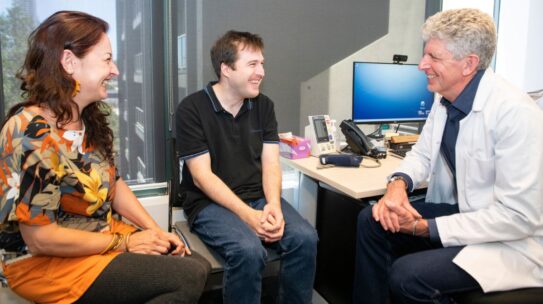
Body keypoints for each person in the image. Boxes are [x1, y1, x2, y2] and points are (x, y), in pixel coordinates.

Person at [0, 11, 210, 304]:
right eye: (107, 59)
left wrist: (154, 231)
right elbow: (40, 238)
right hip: (41, 261)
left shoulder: (86, 119)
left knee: (196, 263)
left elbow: (115, 184)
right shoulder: (31, 131)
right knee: (186, 276)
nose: (116, 71)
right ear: (69, 62)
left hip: (98, 235)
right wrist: (125, 242)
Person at [353, 8, 543, 304]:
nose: (421, 65)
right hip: (472, 215)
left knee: (407, 276)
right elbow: (422, 154)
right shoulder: (445, 99)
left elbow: (518, 218)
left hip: (512, 239)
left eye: (433, 57)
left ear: (468, 64)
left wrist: (424, 227)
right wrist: (398, 185)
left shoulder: (516, 114)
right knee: (372, 219)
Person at [176, 30, 318, 304]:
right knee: (248, 250)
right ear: (226, 69)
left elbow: (271, 164)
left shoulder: (264, 106)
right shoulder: (192, 109)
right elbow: (202, 177)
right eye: (252, 64)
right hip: (208, 203)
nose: (261, 72)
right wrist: (248, 216)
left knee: (305, 238)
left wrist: (274, 206)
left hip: (257, 196)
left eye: (262, 64)